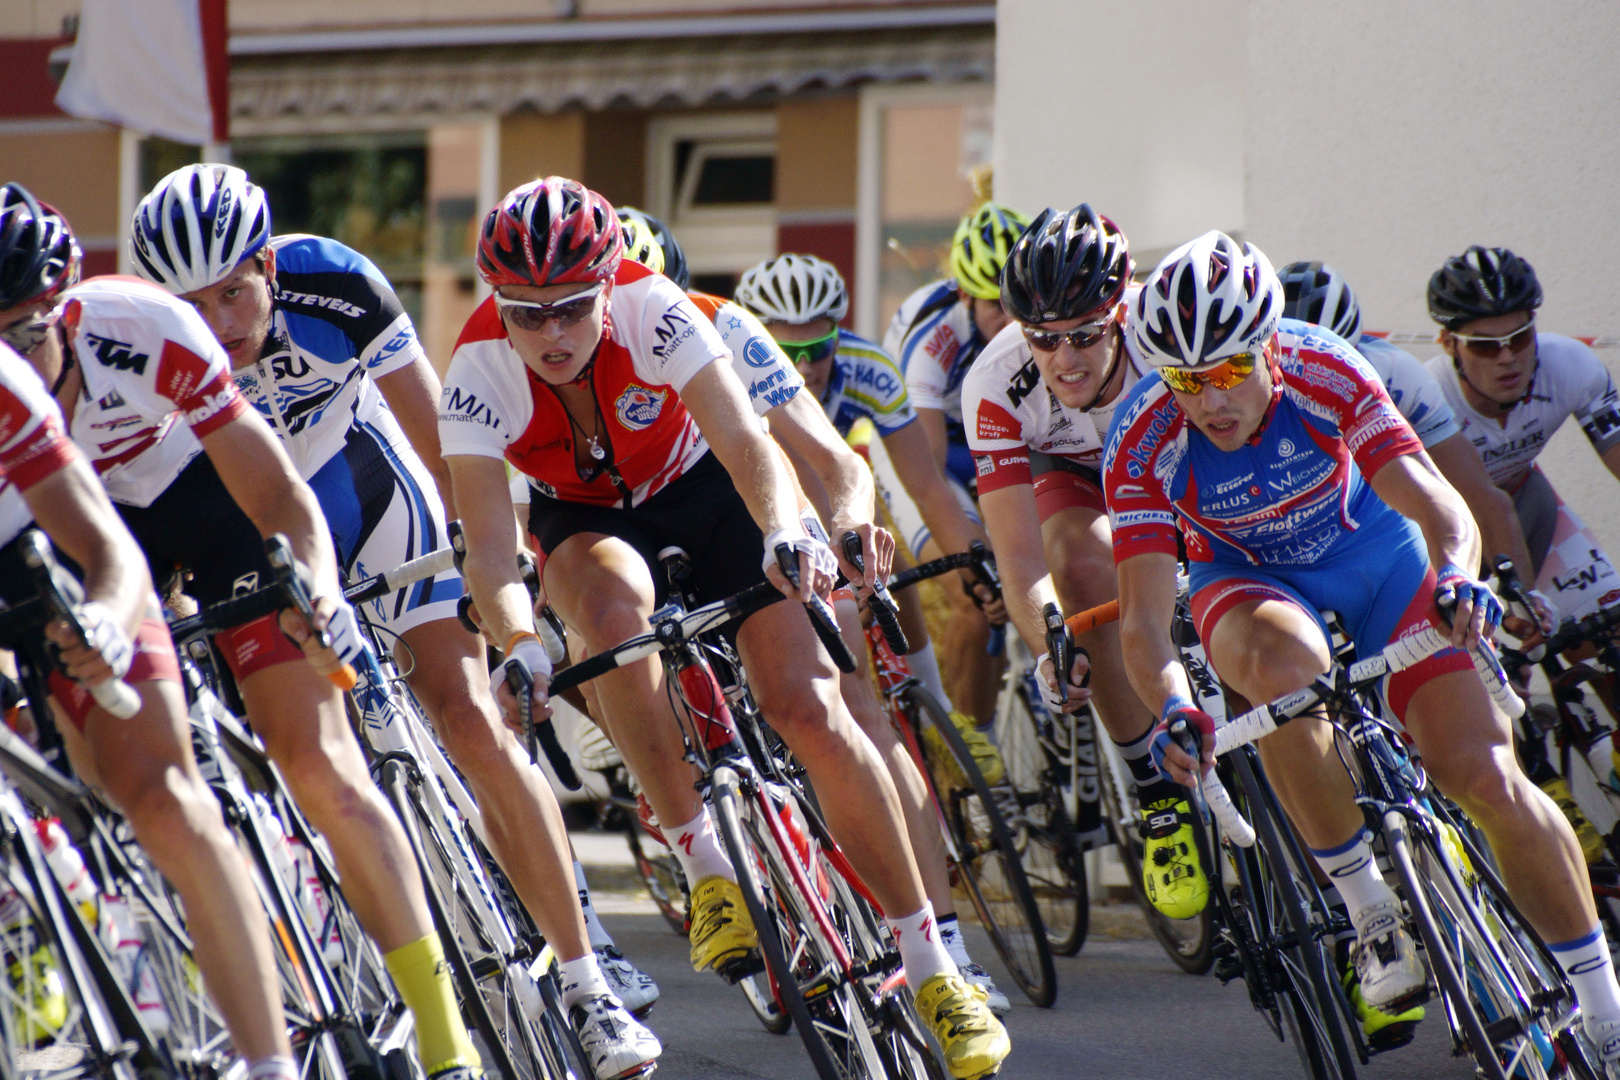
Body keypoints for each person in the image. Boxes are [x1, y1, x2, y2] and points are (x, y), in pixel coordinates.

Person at [442, 177, 1008, 1080]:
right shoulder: (475, 369)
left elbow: (754, 446)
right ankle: (705, 860)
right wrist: (516, 642)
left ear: (610, 283)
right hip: (590, 521)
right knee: (609, 617)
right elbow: (486, 544)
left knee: (809, 708)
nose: (551, 333)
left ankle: (938, 968)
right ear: (498, 305)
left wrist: (788, 532)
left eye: (572, 308)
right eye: (526, 313)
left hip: (711, 495)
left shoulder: (661, 309)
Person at [128, 165, 662, 1076]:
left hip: (371, 489)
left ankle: (588, 977)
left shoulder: (332, 282)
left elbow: (436, 429)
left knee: (467, 717)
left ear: (265, 263)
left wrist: (480, 545)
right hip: (262, 525)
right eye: (190, 302)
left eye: (232, 292)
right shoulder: (146, 353)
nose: (218, 324)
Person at [1107, 230, 1620, 1069]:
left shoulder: (1328, 368)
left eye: (1230, 369)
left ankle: (1605, 1007)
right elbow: (1142, 617)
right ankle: (1371, 914)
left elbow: (1440, 506)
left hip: (1376, 560)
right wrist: (1171, 706)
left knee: (1486, 774)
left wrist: (1458, 578)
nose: (1209, 400)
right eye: (1185, 380)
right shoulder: (1142, 439)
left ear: (1270, 345)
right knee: (1283, 674)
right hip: (1247, 582)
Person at [0, 187, 481, 1080]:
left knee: (318, 762)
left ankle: (444, 1035)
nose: (16, 361)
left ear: (67, 309)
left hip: (202, 500)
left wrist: (321, 593)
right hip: (65, 531)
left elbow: (275, 495)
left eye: (29, 335)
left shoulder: (141, 328)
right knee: (92, 777)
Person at [616, 210, 1010, 1013]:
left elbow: (848, 468)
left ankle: (946, 943)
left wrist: (851, 540)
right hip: (665, 535)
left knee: (857, 708)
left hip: (772, 513)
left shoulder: (726, 333)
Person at [0, 185, 293, 1080]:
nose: (18, 354)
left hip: (51, 548)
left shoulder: (23, 385)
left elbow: (105, 554)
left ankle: (268, 1059)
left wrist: (105, 624)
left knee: (161, 791)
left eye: (26, 332)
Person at [960, 203, 1210, 921]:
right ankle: (1156, 791)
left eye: (1085, 336)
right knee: (1078, 563)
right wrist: (1051, 645)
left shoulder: (1168, 335)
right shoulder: (995, 381)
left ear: (1122, 310)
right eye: (1043, 339)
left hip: (1173, 461)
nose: (1064, 359)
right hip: (1073, 474)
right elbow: (1018, 559)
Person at [732, 254, 1003, 759]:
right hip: (761, 485)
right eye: (785, 351)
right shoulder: (732, 373)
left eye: (818, 348)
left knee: (890, 562)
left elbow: (927, 484)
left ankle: (936, 709)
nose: (804, 367)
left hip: (831, 474)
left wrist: (977, 561)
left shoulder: (868, 368)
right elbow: (783, 478)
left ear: (839, 335)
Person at [1278, 260, 1540, 595]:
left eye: (1331, 366)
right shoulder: (1231, 388)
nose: (1311, 385)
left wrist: (1522, 601)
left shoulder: (1399, 376)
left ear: (1354, 351)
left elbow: (1483, 500)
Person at [880, 202, 1030, 725]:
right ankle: (976, 762)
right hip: (928, 449)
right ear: (965, 294)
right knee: (976, 593)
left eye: (1021, 303)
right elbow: (927, 478)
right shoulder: (934, 337)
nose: (1014, 321)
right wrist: (978, 559)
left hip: (997, 435)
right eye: (997, 306)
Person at [1422, 246, 1620, 630]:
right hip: (1447, 528)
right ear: (1449, 345)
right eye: (1484, 344)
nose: (1507, 357)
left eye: (1519, 337)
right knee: (1495, 672)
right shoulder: (1426, 397)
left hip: (1528, 500)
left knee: (1605, 632)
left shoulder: (1571, 366)